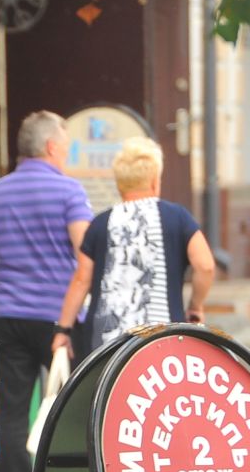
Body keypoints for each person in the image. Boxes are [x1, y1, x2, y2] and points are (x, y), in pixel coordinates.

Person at [0, 111, 93, 472]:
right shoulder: (69, 192)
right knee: (72, 408)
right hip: (59, 320)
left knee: (12, 414)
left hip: (8, 316)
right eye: (67, 143)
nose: (68, 151)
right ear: (52, 147)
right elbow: (85, 255)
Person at [53, 137, 216, 357]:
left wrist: (63, 330)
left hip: (106, 344)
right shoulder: (177, 217)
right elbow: (205, 266)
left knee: (110, 391)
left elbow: (82, 279)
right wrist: (196, 305)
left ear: (120, 184)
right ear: (154, 181)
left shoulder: (100, 223)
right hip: (163, 338)